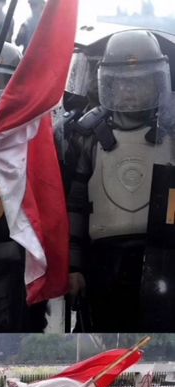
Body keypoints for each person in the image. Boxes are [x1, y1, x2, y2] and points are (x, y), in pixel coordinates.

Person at [67, 30, 173, 332]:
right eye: (123, 82)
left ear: (156, 82)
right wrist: (74, 268)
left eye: (139, 82)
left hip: (164, 257)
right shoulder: (87, 133)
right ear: (108, 83)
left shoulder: (173, 130)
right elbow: (74, 206)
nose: (129, 91)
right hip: (103, 261)